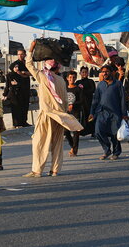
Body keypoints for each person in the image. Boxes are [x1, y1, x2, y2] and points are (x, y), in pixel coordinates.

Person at [22, 40, 83, 177]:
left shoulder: (44, 77)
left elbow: (28, 64)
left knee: (39, 143)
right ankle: (55, 169)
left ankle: (37, 170)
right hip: (60, 116)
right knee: (57, 143)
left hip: (46, 114)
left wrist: (31, 49)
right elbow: (66, 101)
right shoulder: (61, 80)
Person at [89, 65, 127, 161]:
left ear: (112, 72)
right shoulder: (100, 85)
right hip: (102, 112)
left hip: (115, 113)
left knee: (114, 134)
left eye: (107, 71)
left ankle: (116, 152)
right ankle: (106, 150)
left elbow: (123, 99)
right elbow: (95, 100)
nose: (104, 73)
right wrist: (92, 112)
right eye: (103, 71)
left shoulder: (118, 84)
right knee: (98, 131)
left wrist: (124, 114)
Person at [9, 49, 32, 127]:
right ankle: (17, 123)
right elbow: (14, 70)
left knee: (25, 105)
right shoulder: (16, 64)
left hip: (26, 87)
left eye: (22, 54)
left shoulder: (27, 63)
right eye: (19, 54)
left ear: (25, 54)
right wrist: (22, 73)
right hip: (19, 88)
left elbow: (31, 72)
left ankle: (24, 121)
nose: (20, 56)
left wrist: (24, 73)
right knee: (18, 106)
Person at [3, 62, 28, 128]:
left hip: (20, 94)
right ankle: (16, 124)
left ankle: (22, 123)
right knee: (15, 109)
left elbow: (23, 84)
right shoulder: (9, 75)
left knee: (21, 108)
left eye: (17, 67)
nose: (17, 68)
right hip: (12, 94)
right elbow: (7, 86)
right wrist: (5, 95)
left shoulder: (20, 74)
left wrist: (17, 83)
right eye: (15, 67)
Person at [64, 71, 83, 156]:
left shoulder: (78, 89)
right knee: (66, 131)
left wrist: (73, 105)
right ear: (67, 78)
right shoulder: (64, 89)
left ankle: (74, 150)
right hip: (66, 113)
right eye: (70, 77)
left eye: (74, 77)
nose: (72, 79)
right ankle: (73, 146)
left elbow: (82, 101)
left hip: (76, 112)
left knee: (76, 132)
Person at [75, 66, 96, 137]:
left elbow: (92, 90)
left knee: (90, 117)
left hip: (89, 102)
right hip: (81, 103)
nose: (84, 74)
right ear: (80, 73)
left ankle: (93, 131)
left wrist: (83, 90)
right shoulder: (78, 82)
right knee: (82, 117)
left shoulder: (90, 81)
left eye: (86, 72)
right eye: (83, 72)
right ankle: (81, 132)